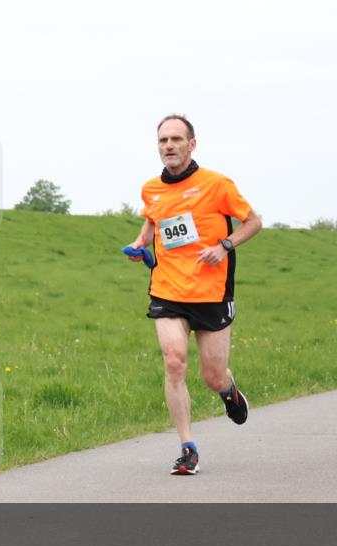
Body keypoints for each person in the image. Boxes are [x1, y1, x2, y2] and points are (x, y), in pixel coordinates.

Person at [127, 114, 263, 475]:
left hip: (211, 291)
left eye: (176, 139)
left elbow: (253, 222)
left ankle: (228, 390)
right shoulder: (151, 189)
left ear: (192, 144)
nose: (169, 146)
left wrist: (224, 246)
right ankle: (188, 448)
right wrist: (140, 243)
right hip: (167, 288)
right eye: (163, 140)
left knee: (212, 376)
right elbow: (153, 219)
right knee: (174, 361)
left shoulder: (217, 184)